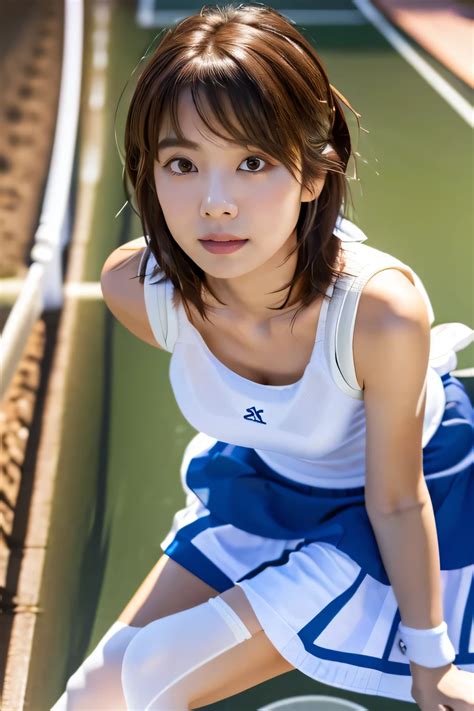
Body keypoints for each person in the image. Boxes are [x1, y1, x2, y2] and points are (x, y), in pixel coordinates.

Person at [51, 4, 474, 710]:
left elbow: (397, 499)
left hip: (390, 507)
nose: (216, 203)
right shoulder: (136, 288)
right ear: (147, 174)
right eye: (182, 163)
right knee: (93, 694)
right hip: (267, 488)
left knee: (156, 672)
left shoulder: (377, 314)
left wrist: (431, 662)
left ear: (313, 174)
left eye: (253, 162)